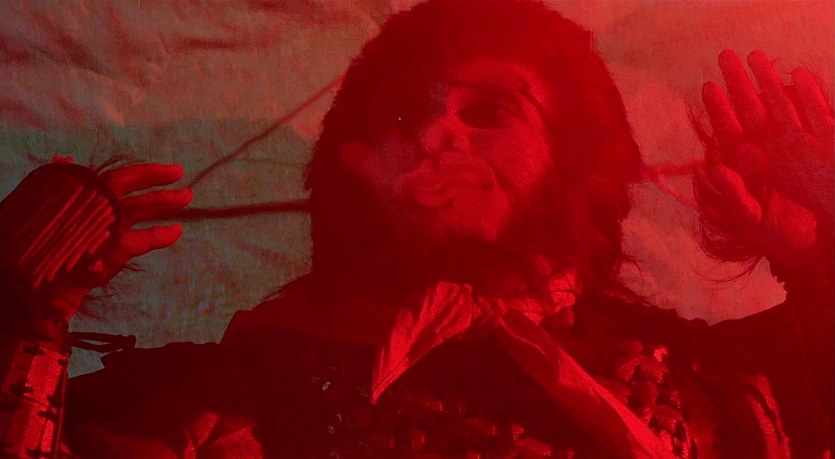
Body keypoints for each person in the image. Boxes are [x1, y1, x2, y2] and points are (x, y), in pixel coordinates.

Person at [1, 0, 832, 457]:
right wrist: (22, 309)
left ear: (572, 155)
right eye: (402, 114)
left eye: (488, 111)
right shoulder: (239, 389)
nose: (436, 137)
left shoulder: (708, 378)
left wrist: (819, 251)